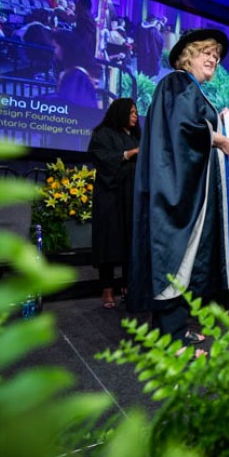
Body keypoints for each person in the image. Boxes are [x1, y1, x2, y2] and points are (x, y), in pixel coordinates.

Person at [130, 28, 229, 353]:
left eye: (216, 56)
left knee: (185, 261)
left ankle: (176, 328)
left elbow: (191, 123)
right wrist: (219, 138)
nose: (213, 59)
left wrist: (219, 123)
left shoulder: (187, 88)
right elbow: (183, 128)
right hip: (175, 192)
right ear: (187, 55)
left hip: (189, 191)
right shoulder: (177, 82)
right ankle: (170, 338)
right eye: (206, 52)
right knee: (175, 257)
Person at [88, 98, 140, 309]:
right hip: (110, 196)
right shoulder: (103, 134)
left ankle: (128, 285)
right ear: (120, 113)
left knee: (131, 240)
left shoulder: (137, 136)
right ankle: (107, 289)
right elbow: (100, 159)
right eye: (131, 113)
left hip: (132, 195)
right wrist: (128, 154)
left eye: (136, 113)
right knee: (109, 242)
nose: (136, 116)